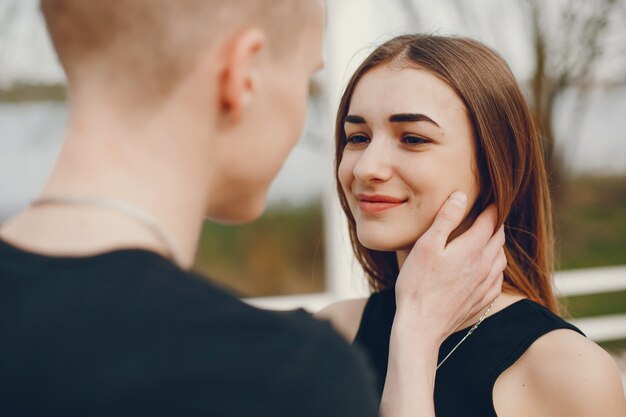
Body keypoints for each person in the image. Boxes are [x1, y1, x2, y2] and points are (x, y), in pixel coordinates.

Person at [0, 1, 505, 416]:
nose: (365, 165)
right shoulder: (283, 378)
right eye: (307, 76)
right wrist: (413, 340)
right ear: (242, 73)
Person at [317, 34, 626, 417]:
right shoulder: (330, 336)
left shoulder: (569, 373)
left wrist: (414, 341)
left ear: (494, 162)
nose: (365, 168)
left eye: (412, 138)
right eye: (357, 137)